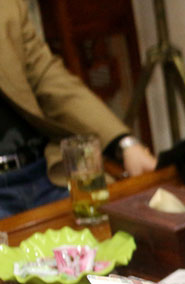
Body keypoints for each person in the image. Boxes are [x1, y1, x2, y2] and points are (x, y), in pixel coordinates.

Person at [0, 0, 156, 218]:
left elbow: (47, 77)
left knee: (134, 225)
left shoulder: (8, 6)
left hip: (46, 173)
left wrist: (124, 144)